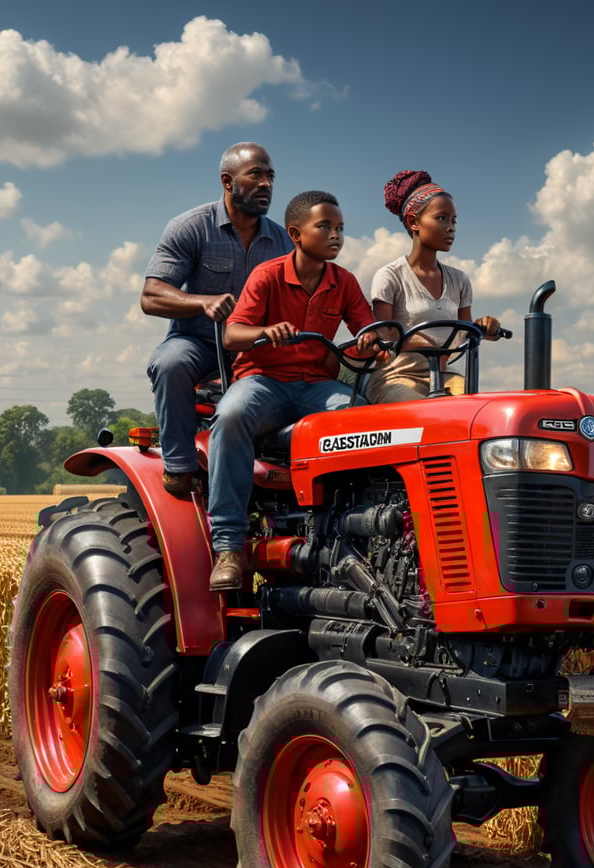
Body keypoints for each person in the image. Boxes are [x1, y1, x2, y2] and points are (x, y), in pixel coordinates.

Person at [207, 190, 381, 591]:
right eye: (325, 227)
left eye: (340, 228)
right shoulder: (267, 275)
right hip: (263, 381)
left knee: (364, 421)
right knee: (231, 415)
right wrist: (266, 332)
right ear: (296, 234)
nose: (336, 235)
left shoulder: (343, 281)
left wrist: (374, 342)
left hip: (316, 385)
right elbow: (233, 334)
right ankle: (229, 548)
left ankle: (356, 536)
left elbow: (366, 333)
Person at [142, 142, 293, 497]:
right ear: (227, 181)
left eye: (271, 176)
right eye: (255, 174)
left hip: (256, 348)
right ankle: (180, 467)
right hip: (200, 343)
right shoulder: (190, 227)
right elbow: (151, 295)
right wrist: (202, 302)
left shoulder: (284, 242)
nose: (266, 184)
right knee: (170, 362)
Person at [368, 169, 501, 404]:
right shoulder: (390, 276)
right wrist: (418, 343)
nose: (451, 227)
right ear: (414, 222)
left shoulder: (460, 281)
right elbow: (385, 336)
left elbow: (465, 333)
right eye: (441, 218)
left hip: (442, 376)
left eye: (453, 221)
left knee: (476, 406)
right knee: (423, 412)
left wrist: (485, 327)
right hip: (397, 377)